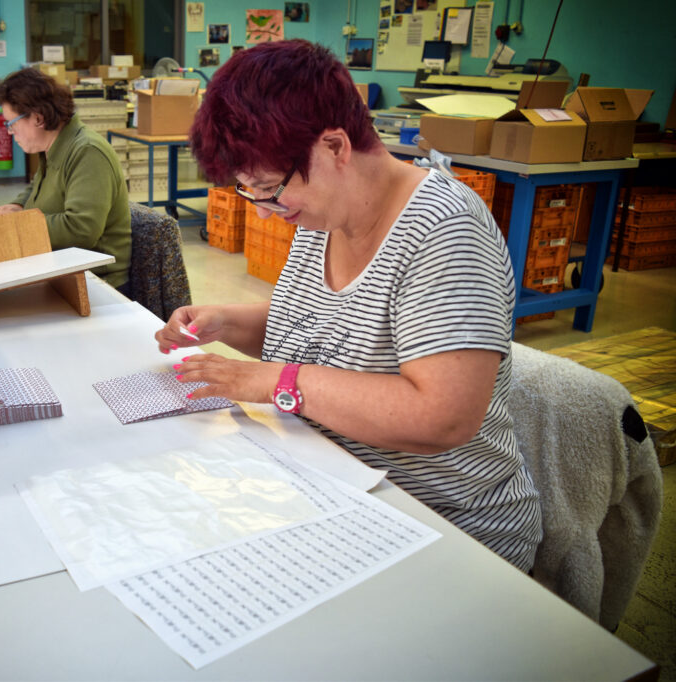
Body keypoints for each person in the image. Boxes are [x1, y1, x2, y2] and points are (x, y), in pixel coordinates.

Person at [157, 40, 542, 572]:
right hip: (332, 479)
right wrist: (225, 321)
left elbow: (443, 418)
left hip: (441, 523)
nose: (266, 213)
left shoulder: (443, 230)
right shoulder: (325, 213)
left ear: (335, 146)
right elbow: (316, 327)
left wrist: (270, 382)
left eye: (269, 190)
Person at [0, 67, 131, 292]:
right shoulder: (53, 146)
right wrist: (18, 205)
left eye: (11, 124)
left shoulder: (87, 153)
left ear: (37, 118)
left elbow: (80, 229)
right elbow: (38, 187)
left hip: (96, 283)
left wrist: (20, 223)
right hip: (60, 269)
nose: (10, 132)